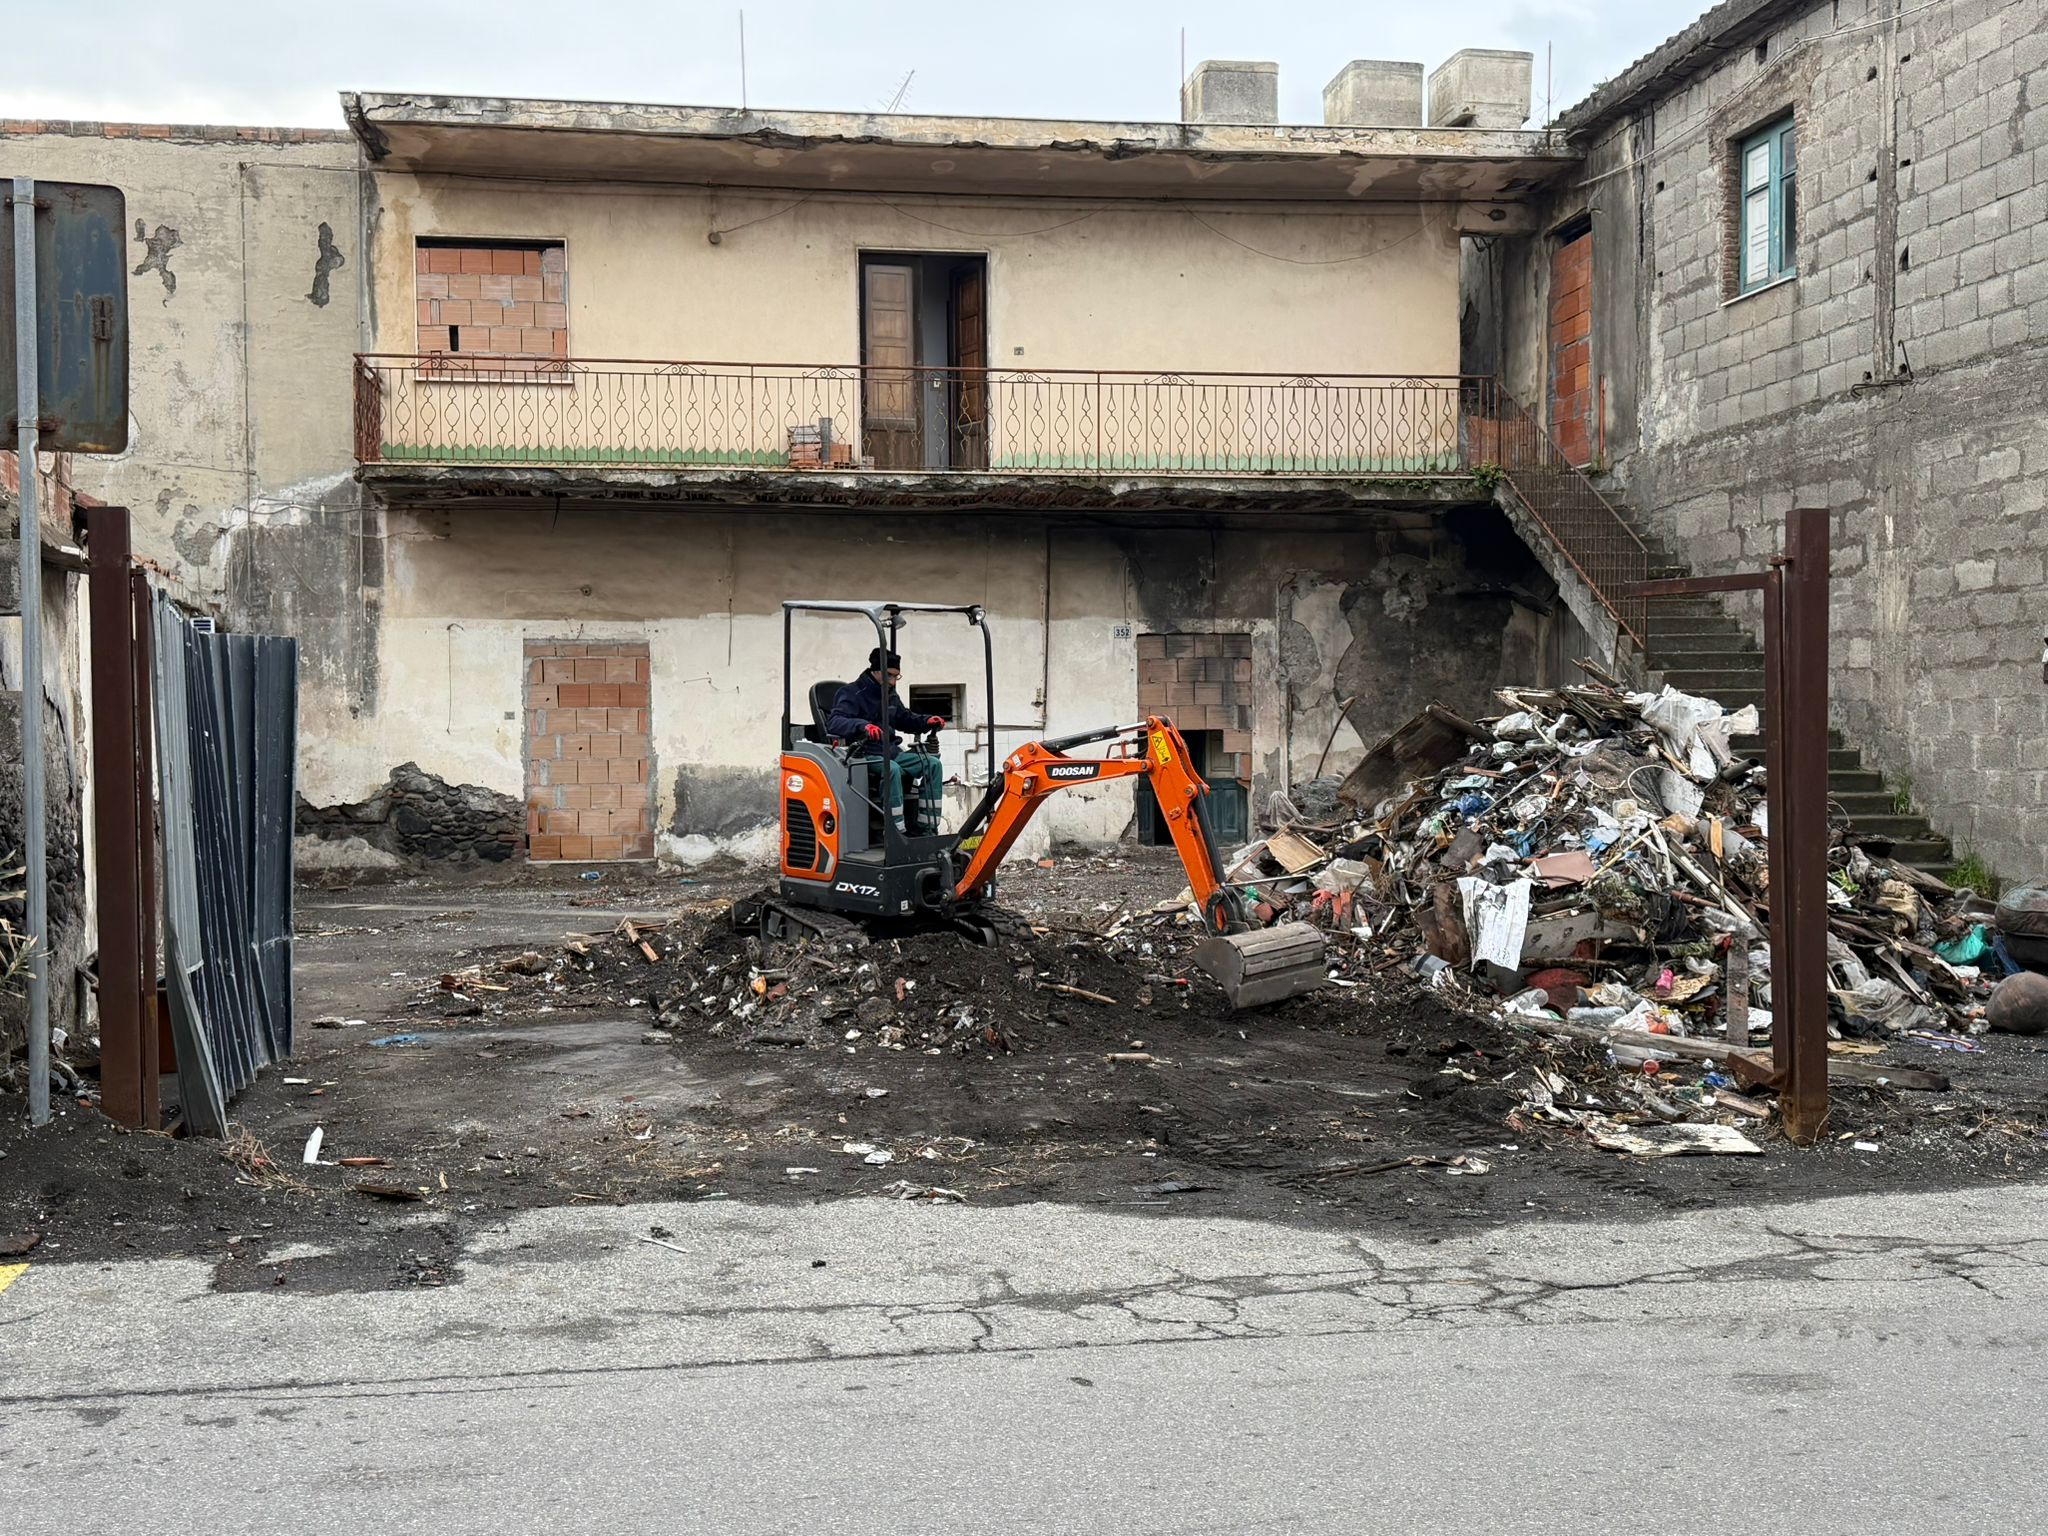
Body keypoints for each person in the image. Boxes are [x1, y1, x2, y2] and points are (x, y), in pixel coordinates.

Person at [828, 647, 946, 832]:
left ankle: (927, 829)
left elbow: (904, 718)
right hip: (863, 753)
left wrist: (926, 721)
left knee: (932, 764)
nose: (892, 681)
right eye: (889, 676)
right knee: (892, 769)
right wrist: (863, 726)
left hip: (890, 752)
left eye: (896, 677)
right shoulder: (851, 693)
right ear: (876, 671)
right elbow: (835, 722)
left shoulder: (890, 695)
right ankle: (895, 831)